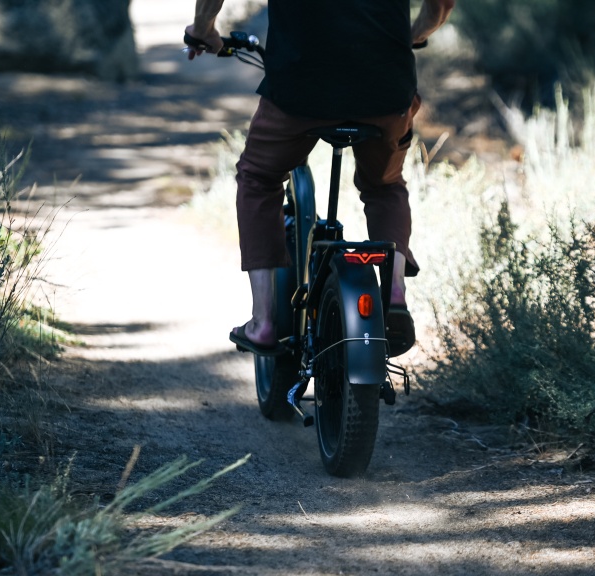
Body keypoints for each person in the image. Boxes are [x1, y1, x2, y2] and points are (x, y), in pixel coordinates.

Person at [185, 0, 455, 357]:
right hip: (387, 90)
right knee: (384, 186)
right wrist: (413, 34)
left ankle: (263, 321)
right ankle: (393, 296)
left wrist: (203, 29)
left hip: (299, 90)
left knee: (258, 180)